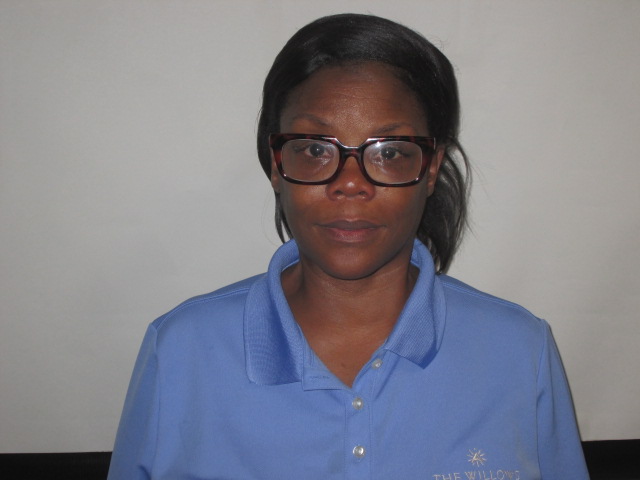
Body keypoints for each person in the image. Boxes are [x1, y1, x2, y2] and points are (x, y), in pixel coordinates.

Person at [108, 13, 589, 479]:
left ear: (430, 169)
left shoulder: (519, 351)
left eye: (389, 152)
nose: (351, 184)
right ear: (276, 165)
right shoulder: (182, 351)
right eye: (316, 149)